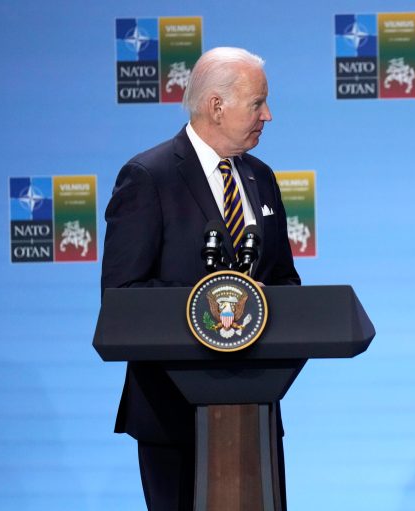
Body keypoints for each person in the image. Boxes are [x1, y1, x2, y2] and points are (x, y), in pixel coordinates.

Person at [101, 47, 300, 510]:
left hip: (254, 408)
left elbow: (285, 281)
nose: (268, 115)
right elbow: (122, 299)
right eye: (257, 104)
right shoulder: (148, 177)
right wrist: (214, 306)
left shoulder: (261, 179)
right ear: (216, 106)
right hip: (172, 409)